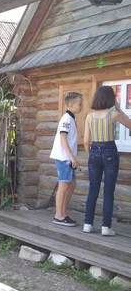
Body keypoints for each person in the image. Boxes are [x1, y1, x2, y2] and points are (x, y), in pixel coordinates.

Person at [83, 85, 131, 236]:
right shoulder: (113, 115)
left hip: (94, 152)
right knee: (109, 190)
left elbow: (85, 141)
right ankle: (105, 227)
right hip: (110, 152)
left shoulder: (89, 116)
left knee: (93, 189)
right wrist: (118, 107)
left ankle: (87, 224)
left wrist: (90, 155)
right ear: (111, 99)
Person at [50, 91, 83, 226]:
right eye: (79, 104)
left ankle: (63, 212)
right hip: (64, 158)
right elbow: (63, 138)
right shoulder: (66, 119)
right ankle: (59, 215)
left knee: (72, 184)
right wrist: (71, 157)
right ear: (71, 105)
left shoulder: (71, 118)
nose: (81, 106)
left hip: (68, 158)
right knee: (63, 185)